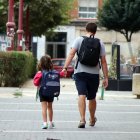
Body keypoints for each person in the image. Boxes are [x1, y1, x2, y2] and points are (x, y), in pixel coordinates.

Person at [61, 22, 108, 128]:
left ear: (86, 29)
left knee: (81, 95)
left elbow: (71, 54)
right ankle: (92, 119)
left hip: (80, 72)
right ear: (95, 31)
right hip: (94, 74)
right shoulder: (100, 43)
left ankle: (82, 120)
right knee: (92, 97)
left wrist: (65, 67)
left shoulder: (79, 39)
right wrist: (106, 77)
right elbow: (104, 61)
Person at [33, 55, 55, 129]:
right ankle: (51, 123)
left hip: (42, 92)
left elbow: (35, 83)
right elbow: (59, 76)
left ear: (40, 63)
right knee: (50, 107)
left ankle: (45, 123)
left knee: (44, 108)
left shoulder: (40, 73)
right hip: (51, 92)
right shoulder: (52, 72)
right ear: (50, 63)